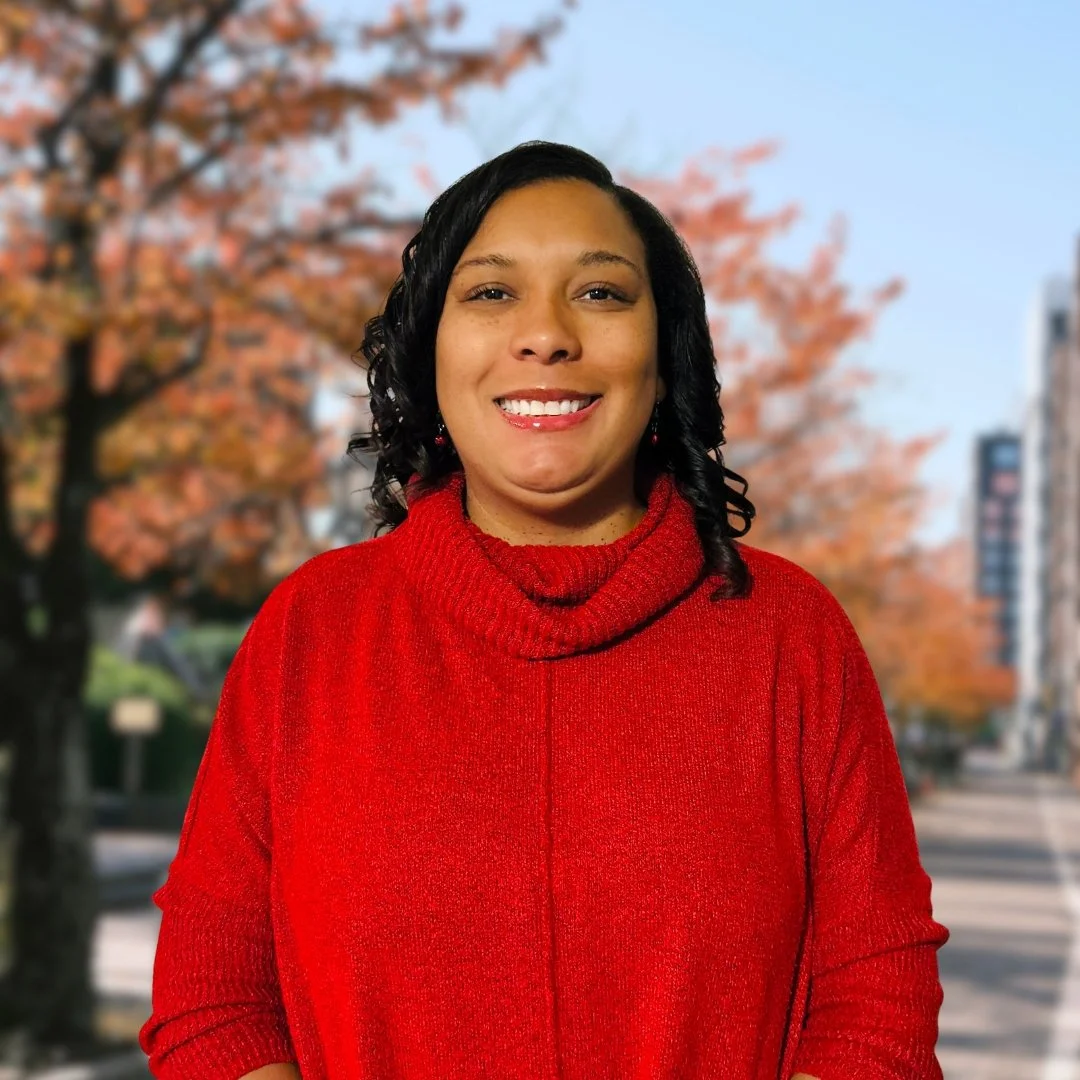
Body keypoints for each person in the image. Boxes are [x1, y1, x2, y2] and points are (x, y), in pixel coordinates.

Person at [139, 141, 949, 1080]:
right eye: (490, 294)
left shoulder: (787, 633)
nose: (546, 335)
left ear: (665, 355)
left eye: (601, 293)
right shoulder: (311, 631)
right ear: (428, 351)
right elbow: (212, 1001)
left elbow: (876, 1008)